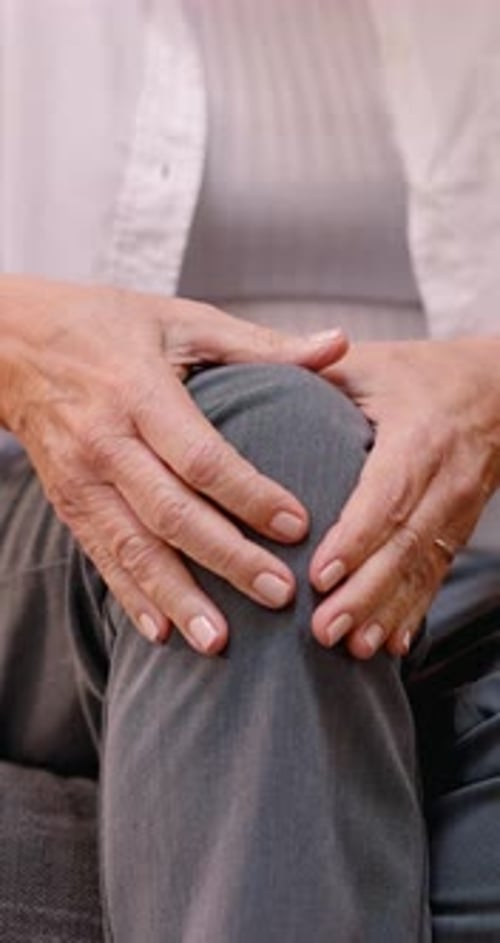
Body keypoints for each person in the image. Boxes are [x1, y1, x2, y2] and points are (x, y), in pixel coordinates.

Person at [1, 1, 499, 941]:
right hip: (39, 509)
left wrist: (490, 396)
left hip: (469, 566)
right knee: (275, 460)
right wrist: (19, 345)